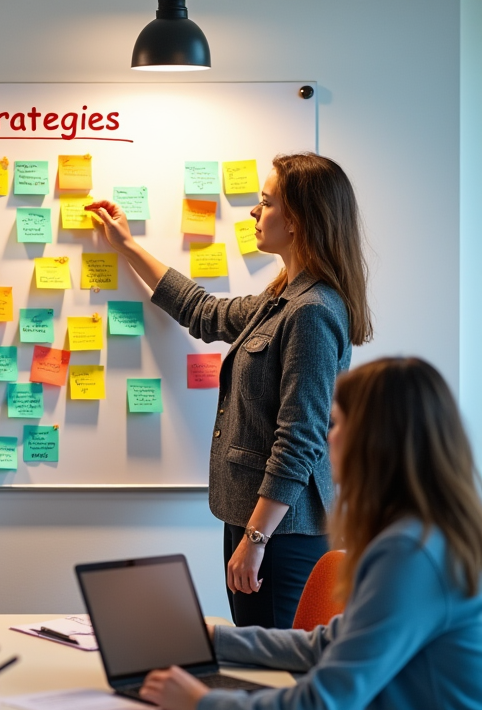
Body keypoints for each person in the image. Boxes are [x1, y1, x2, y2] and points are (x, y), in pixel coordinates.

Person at [138, 357, 482, 710]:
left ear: (376, 439)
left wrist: (201, 703)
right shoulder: (425, 537)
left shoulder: (410, 554)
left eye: (336, 424)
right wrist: (214, 640)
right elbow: (328, 643)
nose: (326, 436)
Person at [86, 152, 372, 629]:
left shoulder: (312, 311)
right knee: (258, 663)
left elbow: (300, 437)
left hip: (282, 533)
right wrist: (128, 246)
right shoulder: (282, 297)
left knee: (277, 673)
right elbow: (204, 311)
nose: (255, 213)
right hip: (254, 521)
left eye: (266, 202)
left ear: (299, 220)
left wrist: (255, 540)